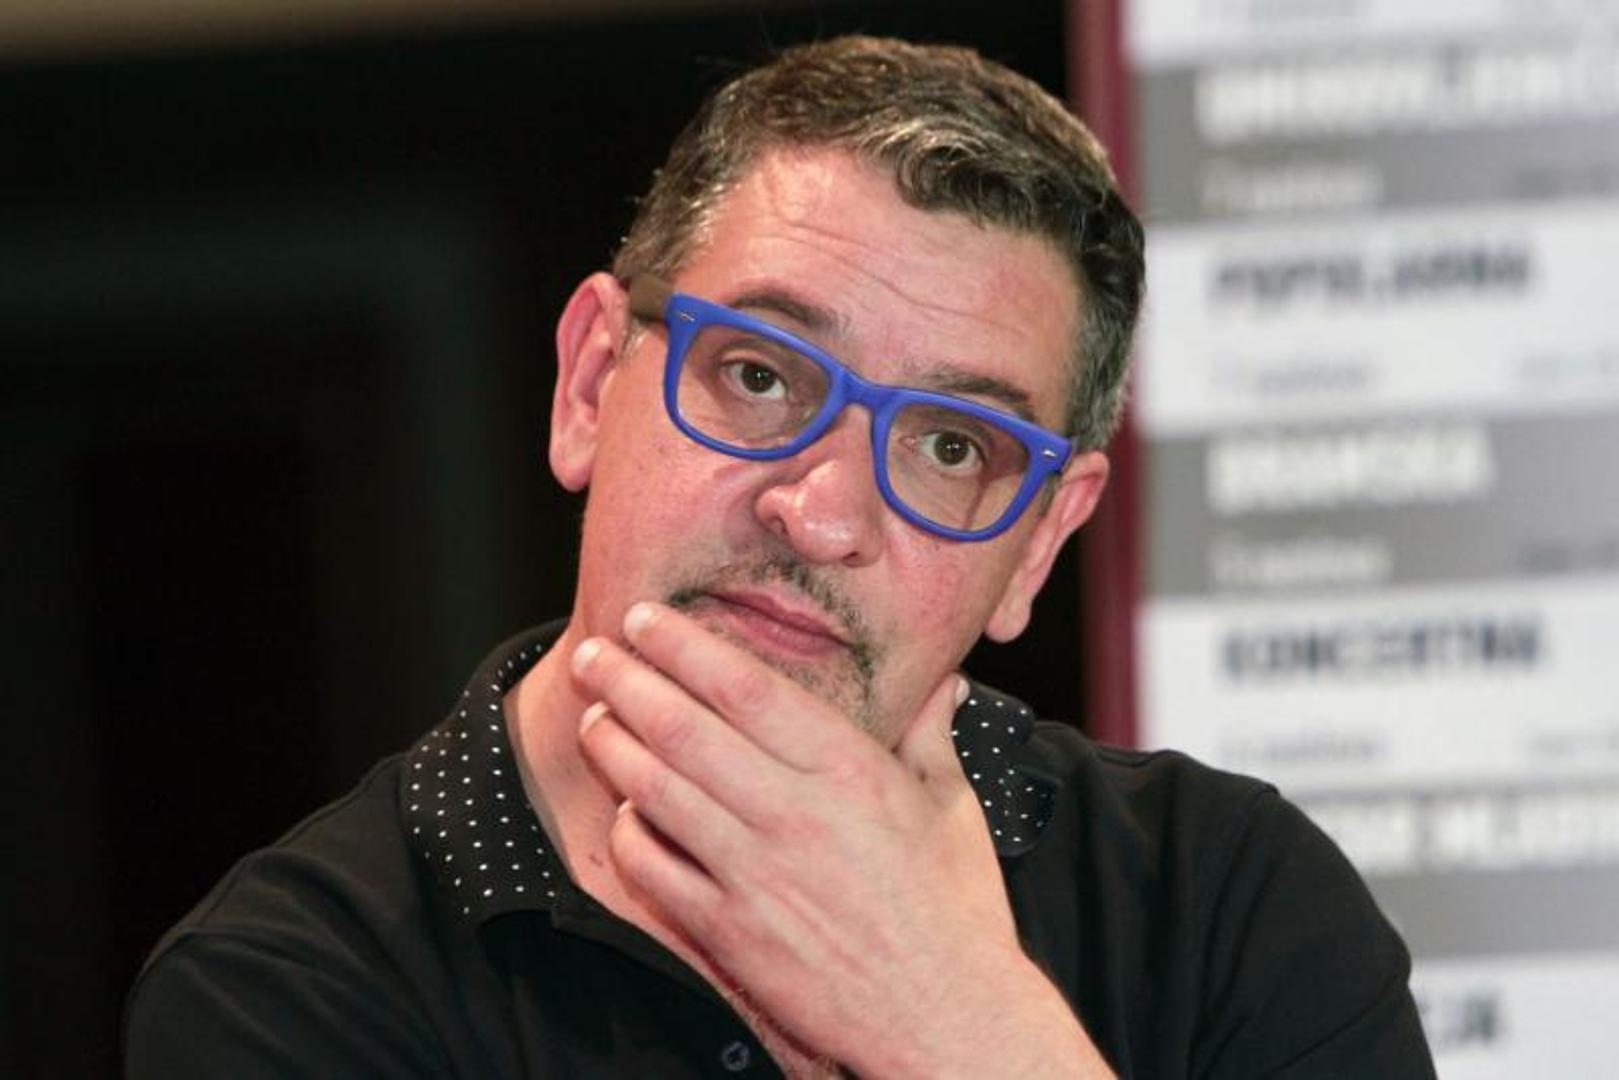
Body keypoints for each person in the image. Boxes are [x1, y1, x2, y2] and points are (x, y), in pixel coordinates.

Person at [125, 36, 1434, 1078]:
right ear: (589, 384)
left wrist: (960, 1026)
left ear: (1041, 539)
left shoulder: (1231, 904)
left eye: (950, 446)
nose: (821, 512)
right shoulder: (290, 988)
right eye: (760, 374)